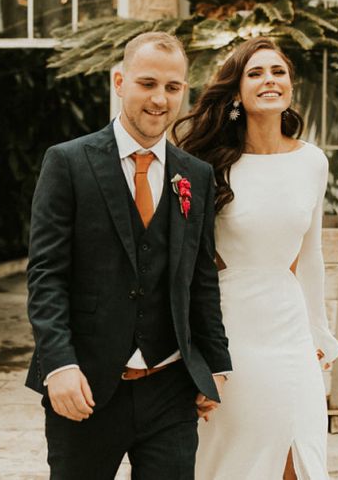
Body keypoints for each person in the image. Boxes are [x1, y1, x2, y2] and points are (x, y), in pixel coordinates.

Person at [25, 31, 232, 479]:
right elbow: (47, 275)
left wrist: (214, 365)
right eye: (148, 83)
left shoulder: (195, 176)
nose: (160, 99)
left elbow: (201, 279)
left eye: (173, 87)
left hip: (170, 388)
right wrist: (58, 364)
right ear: (119, 81)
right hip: (86, 386)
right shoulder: (68, 162)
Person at [174, 37, 338, 480]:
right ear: (236, 93)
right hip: (233, 327)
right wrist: (196, 347)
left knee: (300, 452)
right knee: (239, 456)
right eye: (255, 73)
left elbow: (311, 254)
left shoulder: (312, 161)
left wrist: (319, 330)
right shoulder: (208, 165)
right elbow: (188, 262)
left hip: (290, 328)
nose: (270, 80)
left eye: (278, 72)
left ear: (290, 85)